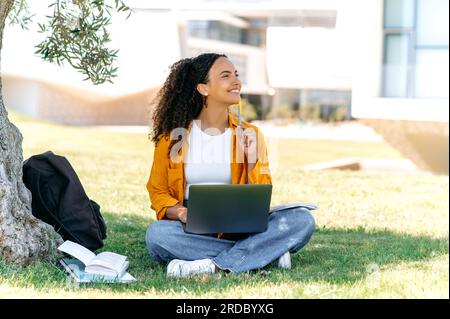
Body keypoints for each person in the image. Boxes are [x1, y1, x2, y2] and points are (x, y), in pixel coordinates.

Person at [145, 53, 315, 277]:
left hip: (240, 226)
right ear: (202, 88)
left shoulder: (250, 134)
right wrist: (182, 212)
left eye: (236, 75)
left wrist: (252, 160)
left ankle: (215, 265)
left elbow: (262, 194)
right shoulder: (172, 138)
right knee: (157, 236)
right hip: (192, 226)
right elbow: (157, 190)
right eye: (226, 76)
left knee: (302, 219)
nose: (236, 82)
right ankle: (264, 254)